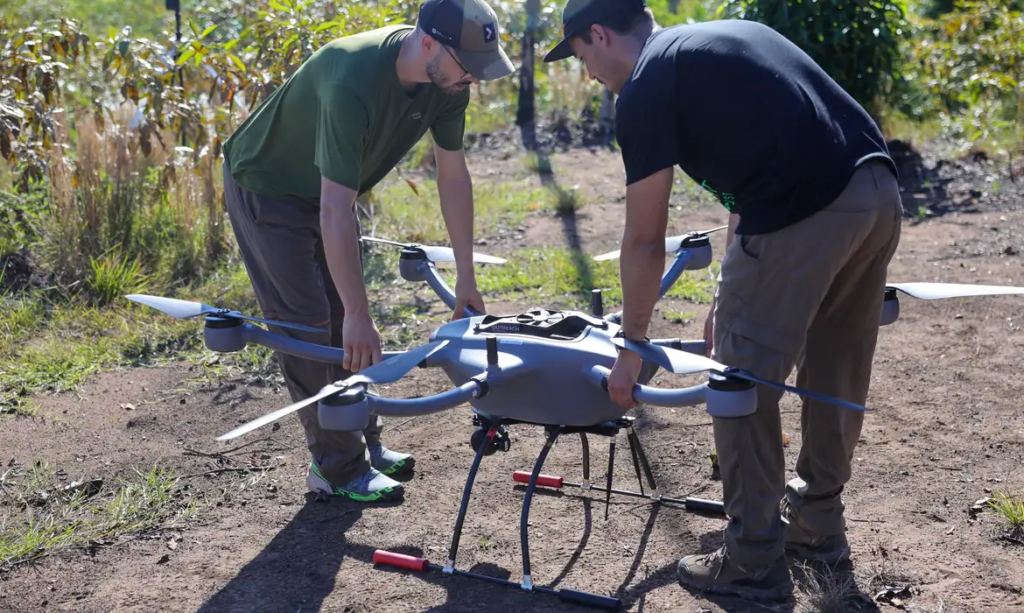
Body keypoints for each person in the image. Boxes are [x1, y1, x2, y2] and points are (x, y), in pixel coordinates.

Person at [544, 0, 903, 601]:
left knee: (738, 381)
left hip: (805, 209)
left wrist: (632, 347)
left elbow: (642, 236)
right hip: (877, 192)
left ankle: (752, 562)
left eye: (582, 57)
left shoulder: (645, 86)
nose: (589, 74)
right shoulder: (721, 40)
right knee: (835, 367)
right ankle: (817, 525)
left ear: (599, 35)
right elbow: (750, 173)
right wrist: (726, 292)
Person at [221, 0, 515, 503]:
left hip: (328, 192)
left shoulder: (447, 82)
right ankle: (335, 467)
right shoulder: (351, 78)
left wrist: (466, 278)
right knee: (312, 324)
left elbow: (453, 177)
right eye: (469, 68)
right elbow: (336, 210)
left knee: (346, 323)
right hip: (268, 187)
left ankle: (364, 441)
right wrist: (358, 312)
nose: (475, 81)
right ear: (428, 44)